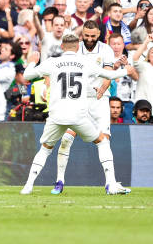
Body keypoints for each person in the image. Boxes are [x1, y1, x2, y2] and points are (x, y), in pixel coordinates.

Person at [20, 34, 133, 195]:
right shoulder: (86, 63)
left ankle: (28, 186)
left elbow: (26, 76)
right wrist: (125, 70)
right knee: (102, 142)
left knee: (45, 149)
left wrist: (32, 60)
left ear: (62, 47)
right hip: (78, 116)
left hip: (57, 115)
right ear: (78, 47)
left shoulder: (52, 62)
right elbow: (109, 75)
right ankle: (111, 184)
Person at [50, 20, 115, 194]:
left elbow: (108, 73)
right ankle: (59, 181)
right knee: (65, 139)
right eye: (86, 35)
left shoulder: (106, 50)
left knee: (104, 140)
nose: (89, 39)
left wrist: (102, 88)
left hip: (100, 100)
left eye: (93, 36)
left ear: (99, 35)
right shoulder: (75, 49)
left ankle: (111, 183)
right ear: (82, 34)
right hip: (78, 101)